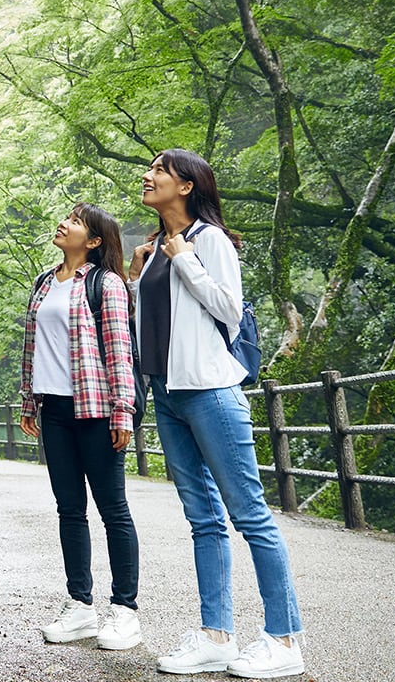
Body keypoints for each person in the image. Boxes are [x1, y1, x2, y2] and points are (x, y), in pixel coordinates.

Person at [129, 149, 305, 678]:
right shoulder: (156, 247)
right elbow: (157, 323)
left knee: (250, 514)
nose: (148, 175)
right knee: (202, 520)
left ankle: (285, 639)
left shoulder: (209, 240)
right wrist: (140, 276)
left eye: (159, 170)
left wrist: (183, 257)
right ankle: (216, 635)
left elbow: (229, 309)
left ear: (186, 186)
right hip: (169, 392)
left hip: (210, 391)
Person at [20, 202, 142, 651]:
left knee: (113, 510)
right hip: (52, 408)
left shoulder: (106, 284)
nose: (63, 223)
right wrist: (29, 401)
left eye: (74, 221)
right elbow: (32, 347)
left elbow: (119, 352)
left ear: (93, 241)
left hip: (95, 409)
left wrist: (122, 411)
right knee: (69, 509)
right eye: (66, 217)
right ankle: (80, 607)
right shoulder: (43, 282)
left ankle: (125, 611)